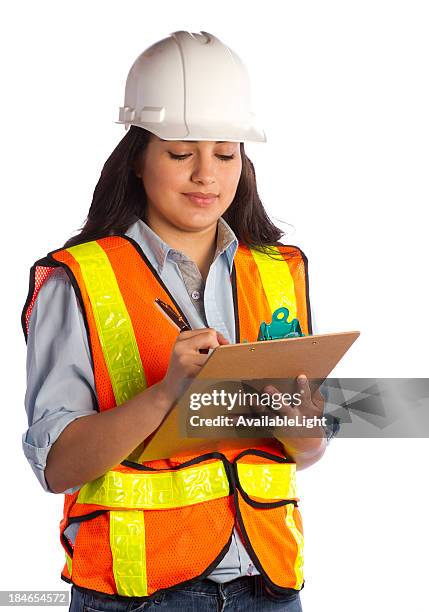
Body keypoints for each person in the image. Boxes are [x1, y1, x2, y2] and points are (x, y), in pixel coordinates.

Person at [21, 31, 336, 612]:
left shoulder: (275, 272)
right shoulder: (80, 281)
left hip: (269, 586)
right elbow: (58, 464)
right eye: (179, 153)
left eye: (226, 154)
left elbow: (306, 452)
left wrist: (299, 420)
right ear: (137, 158)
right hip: (138, 594)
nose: (206, 176)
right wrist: (166, 393)